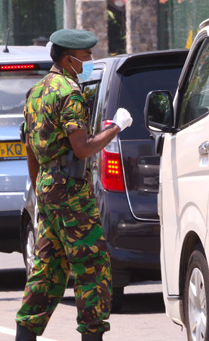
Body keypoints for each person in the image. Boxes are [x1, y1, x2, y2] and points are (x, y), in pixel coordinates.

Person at [15, 29, 133, 341]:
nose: (90, 61)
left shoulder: (36, 93)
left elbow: (29, 148)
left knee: (48, 267)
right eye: (86, 57)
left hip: (48, 186)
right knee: (92, 267)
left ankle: (24, 334)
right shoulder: (69, 92)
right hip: (70, 191)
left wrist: (41, 190)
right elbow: (81, 148)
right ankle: (92, 335)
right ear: (69, 59)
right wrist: (115, 128)